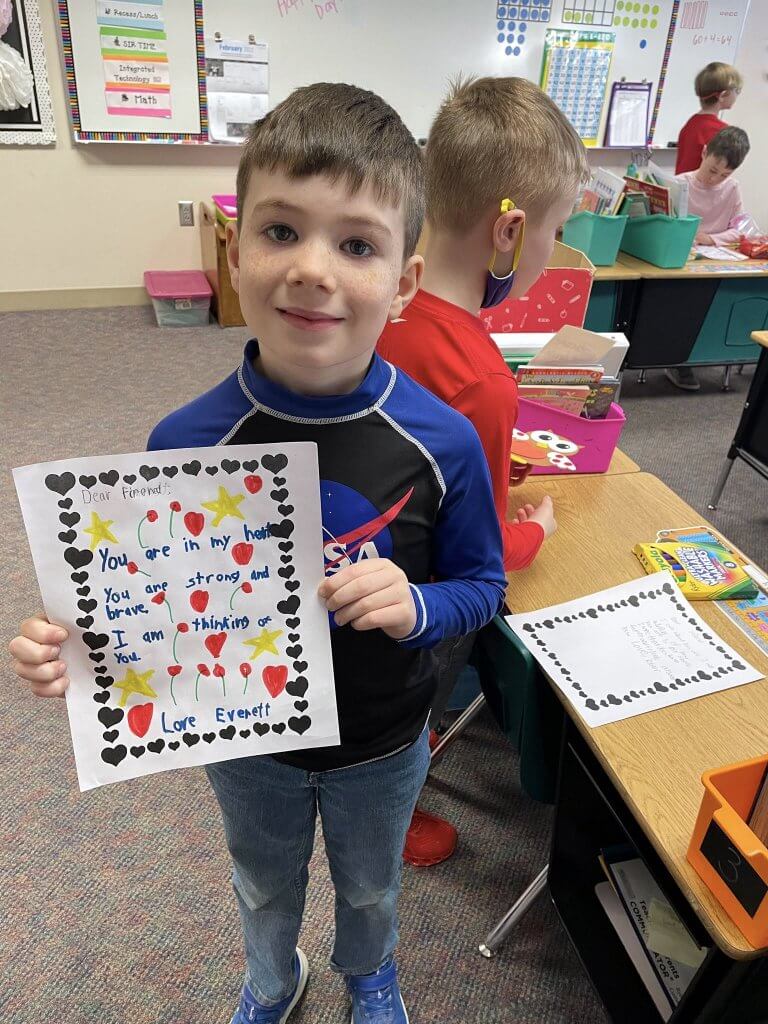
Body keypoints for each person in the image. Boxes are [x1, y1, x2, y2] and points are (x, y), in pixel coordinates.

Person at [8, 83, 507, 1024]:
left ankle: (372, 976)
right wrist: (76, 650)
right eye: (282, 231)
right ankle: (274, 980)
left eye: (356, 245)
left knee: (370, 886)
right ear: (236, 253)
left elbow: (485, 585)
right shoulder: (185, 442)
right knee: (262, 880)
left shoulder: (441, 441)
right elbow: (156, 612)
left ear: (404, 281)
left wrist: (419, 606)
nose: (313, 269)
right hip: (249, 748)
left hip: (384, 740)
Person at [378, 76, 589, 867]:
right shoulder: (482, 377)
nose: (553, 250)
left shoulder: (382, 302)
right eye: (556, 230)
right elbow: (486, 552)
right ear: (510, 230)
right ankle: (397, 810)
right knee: (410, 710)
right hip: (424, 602)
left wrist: (491, 464)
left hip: (363, 559)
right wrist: (537, 530)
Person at [667, 126, 751, 393]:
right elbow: (668, 227)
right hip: (682, 261)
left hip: (715, 258)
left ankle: (703, 354)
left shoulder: (732, 188)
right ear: (704, 153)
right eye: (713, 170)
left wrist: (710, 239)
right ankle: (677, 359)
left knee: (726, 297)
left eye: (725, 174)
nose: (716, 179)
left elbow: (741, 229)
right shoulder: (679, 184)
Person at [675, 62, 742, 175]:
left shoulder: (692, 122)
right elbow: (720, 173)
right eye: (737, 91)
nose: (737, 95)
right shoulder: (722, 131)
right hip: (700, 186)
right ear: (723, 95)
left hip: (682, 183)